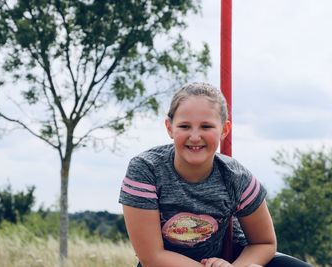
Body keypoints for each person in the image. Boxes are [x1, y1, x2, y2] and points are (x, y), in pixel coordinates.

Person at [119, 82, 313, 267]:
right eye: (184, 126)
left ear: (224, 129)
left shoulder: (236, 177)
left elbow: (264, 243)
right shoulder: (146, 170)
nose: (195, 136)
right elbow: (152, 258)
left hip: (228, 259)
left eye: (206, 126)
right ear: (169, 128)